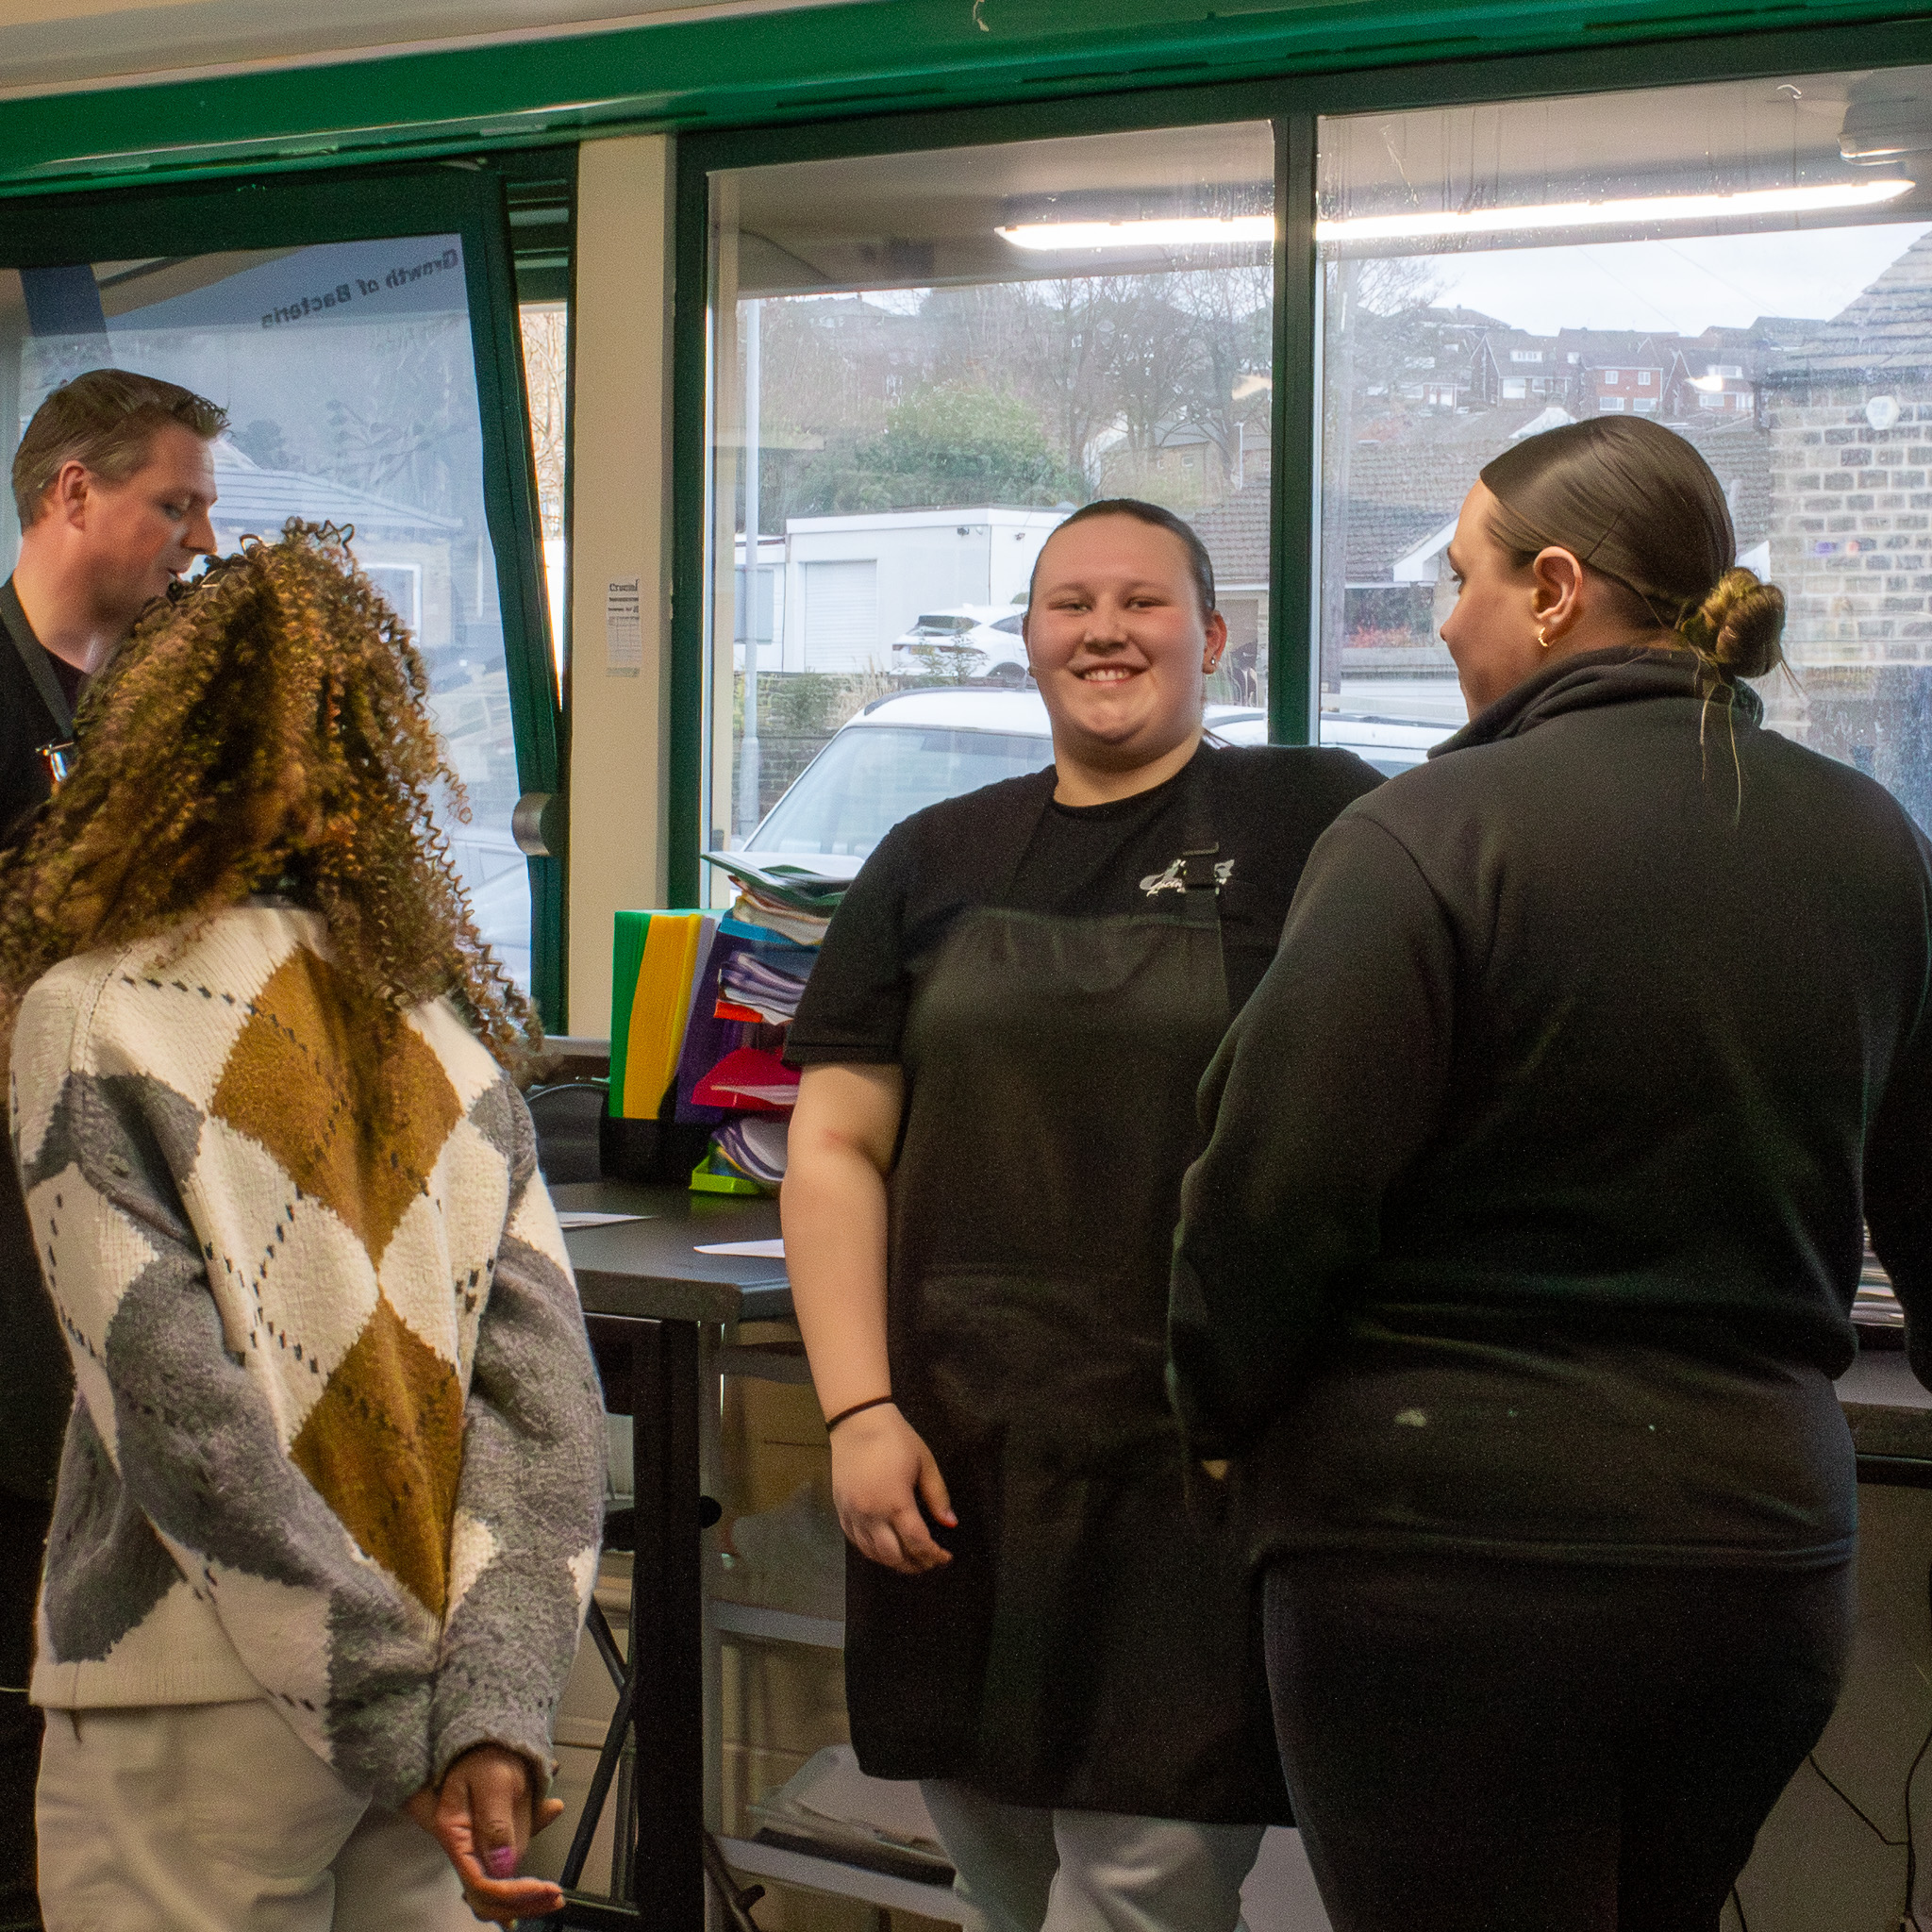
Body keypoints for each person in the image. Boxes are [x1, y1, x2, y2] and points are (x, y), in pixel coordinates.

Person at [1169, 414, 1932, 1931]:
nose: (1445, 618)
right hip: (1761, 1564)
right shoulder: (1872, 842)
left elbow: (1274, 1197)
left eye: (1464, 578)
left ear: (1558, 587)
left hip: (1444, 1563)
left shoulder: (1430, 832)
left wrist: (1215, 1415)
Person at [781, 498, 1381, 1932]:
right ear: (1030, 640)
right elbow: (835, 1146)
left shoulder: (1315, 827)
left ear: (1214, 640)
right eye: (1070, 604)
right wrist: (858, 1412)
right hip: (952, 1452)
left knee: (1147, 1884)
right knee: (994, 1876)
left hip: (1193, 1455)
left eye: (1144, 601)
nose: (1105, 630)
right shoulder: (932, 857)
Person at [0, 525, 606, 1931]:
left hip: (191, 1686)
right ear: (377, 763)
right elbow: (553, 1419)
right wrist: (490, 1715)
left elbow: (181, 1420)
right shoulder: (448, 1038)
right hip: (440, 1699)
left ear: (141, 747)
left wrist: (389, 1720)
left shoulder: (91, 1013)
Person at [0, 367, 224, 1932]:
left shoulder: (141, 708)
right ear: (73, 493)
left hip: (111, 1235)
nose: (198, 541)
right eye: (176, 503)